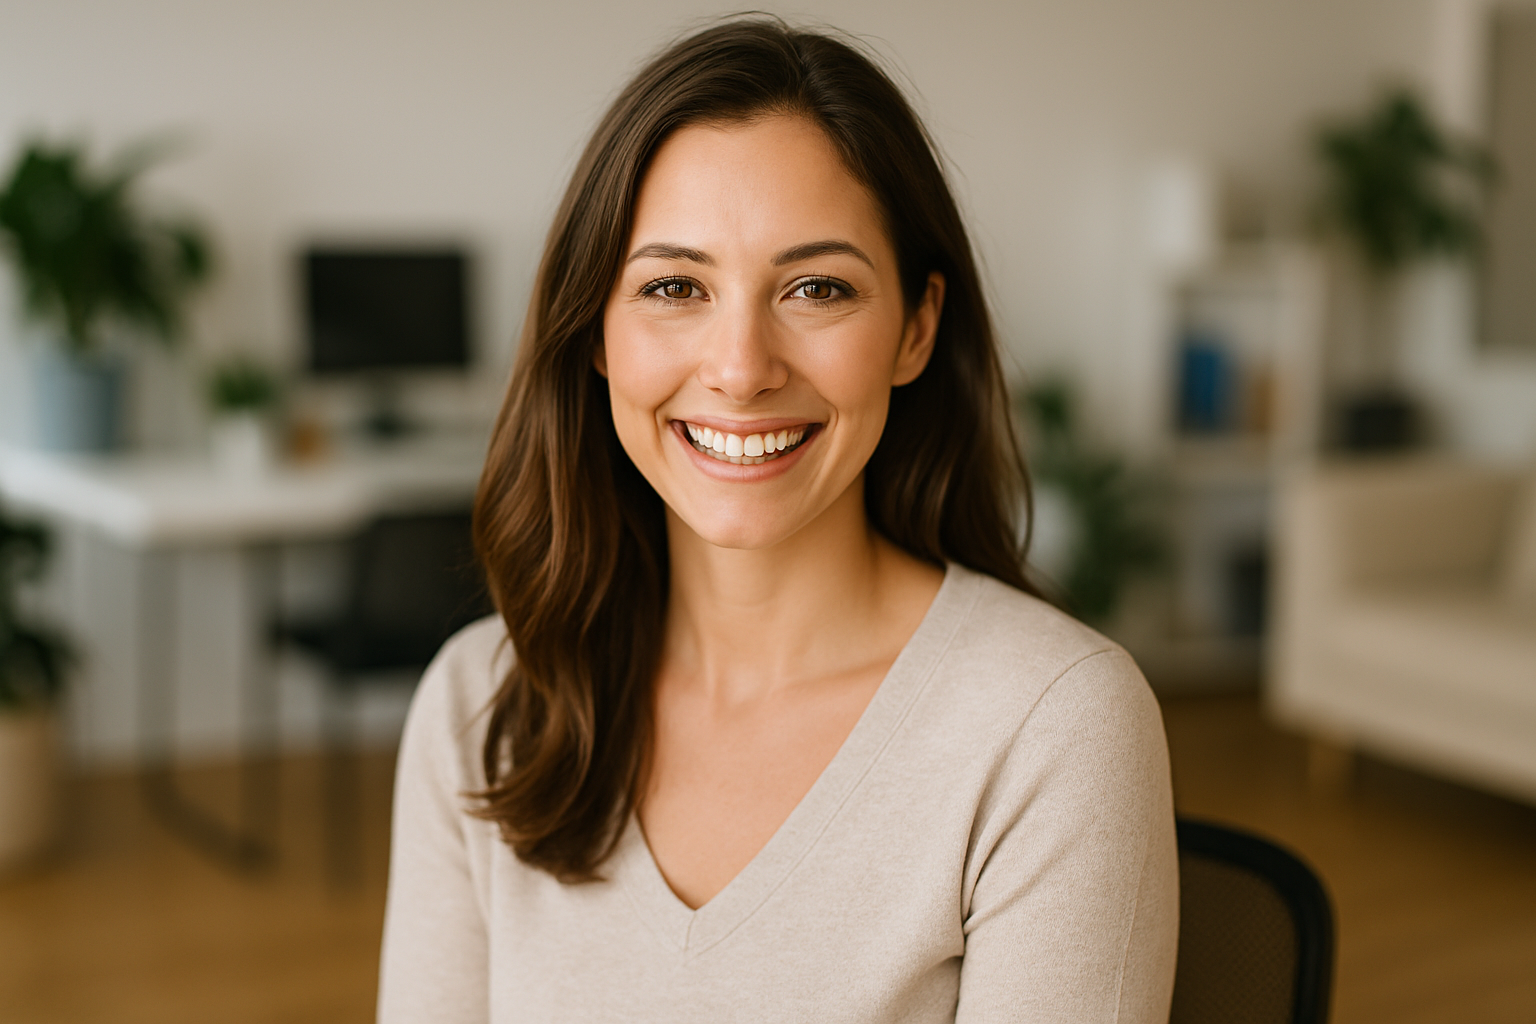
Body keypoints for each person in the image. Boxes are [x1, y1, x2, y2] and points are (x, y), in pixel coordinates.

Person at [378, 17, 1177, 1024]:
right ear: (595, 331)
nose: (742, 368)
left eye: (816, 288)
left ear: (916, 328)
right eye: (674, 286)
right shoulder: (481, 706)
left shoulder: (1051, 727)